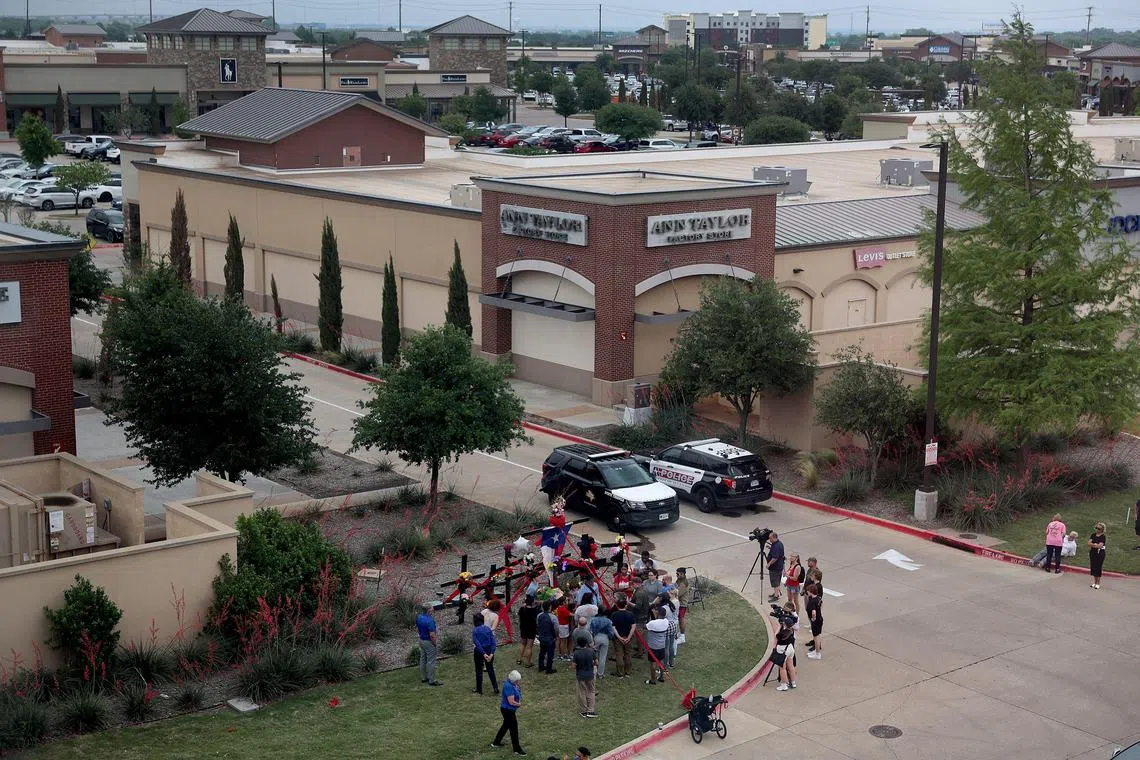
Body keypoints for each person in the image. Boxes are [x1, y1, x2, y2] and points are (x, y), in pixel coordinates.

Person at [491, 670, 526, 756]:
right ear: (513, 680)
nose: (518, 682)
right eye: (517, 680)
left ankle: (496, 742)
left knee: (506, 725)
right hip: (508, 711)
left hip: (508, 710)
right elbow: (511, 702)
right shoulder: (508, 686)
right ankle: (517, 749)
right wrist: (519, 704)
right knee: (514, 729)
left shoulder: (512, 683)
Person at [471, 612, 499, 695]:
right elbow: (493, 642)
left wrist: (483, 654)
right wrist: (491, 653)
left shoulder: (475, 631)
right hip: (489, 650)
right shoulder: (488, 629)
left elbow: (477, 643)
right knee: (490, 669)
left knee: (479, 670)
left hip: (479, 652)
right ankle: (495, 687)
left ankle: (479, 690)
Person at [416, 602, 443, 686]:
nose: (433, 609)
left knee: (423, 659)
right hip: (428, 642)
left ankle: (424, 677)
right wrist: (434, 643)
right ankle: (432, 680)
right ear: (428, 610)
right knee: (431, 661)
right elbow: (432, 635)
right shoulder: (430, 621)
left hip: (421, 640)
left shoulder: (419, 617)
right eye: (431, 608)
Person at [610, 595, 636, 678]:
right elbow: (633, 626)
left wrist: (619, 637)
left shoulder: (614, 614)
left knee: (619, 654)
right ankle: (627, 672)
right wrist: (628, 637)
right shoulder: (630, 614)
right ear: (626, 605)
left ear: (617, 605)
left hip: (618, 637)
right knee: (628, 654)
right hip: (628, 637)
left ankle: (620, 673)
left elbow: (613, 627)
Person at [572, 636, 598, 718]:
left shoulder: (576, 653)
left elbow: (573, 666)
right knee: (591, 691)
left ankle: (583, 711)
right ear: (586, 643)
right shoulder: (591, 651)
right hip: (590, 675)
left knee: (582, 692)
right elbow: (596, 663)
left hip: (580, 675)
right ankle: (591, 711)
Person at [645, 606, 670, 685]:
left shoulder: (652, 623)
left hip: (653, 646)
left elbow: (645, 627)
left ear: (658, 613)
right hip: (662, 645)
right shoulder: (666, 621)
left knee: (653, 663)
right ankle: (661, 677)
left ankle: (653, 680)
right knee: (660, 661)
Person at [773, 617, 797, 691]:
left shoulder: (782, 633)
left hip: (782, 650)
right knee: (791, 666)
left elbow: (775, 636)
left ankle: (784, 685)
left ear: (785, 624)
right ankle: (793, 682)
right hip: (790, 649)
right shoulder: (791, 631)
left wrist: (779, 627)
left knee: (782, 668)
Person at [589, 608, 614, 678]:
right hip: (605, 637)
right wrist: (610, 637)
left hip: (596, 637)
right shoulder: (608, 621)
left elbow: (591, 630)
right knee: (603, 657)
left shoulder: (593, 620)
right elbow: (611, 632)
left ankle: (593, 671)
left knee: (594, 655)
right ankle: (600, 674)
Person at [536, 599, 558, 674]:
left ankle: (541, 666)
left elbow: (538, 624)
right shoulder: (553, 617)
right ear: (550, 607)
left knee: (542, 652)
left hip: (542, 636)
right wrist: (556, 636)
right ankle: (549, 669)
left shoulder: (539, 615)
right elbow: (556, 628)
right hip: (550, 637)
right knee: (550, 654)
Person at [518, 595, 540, 668]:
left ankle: (519, 659)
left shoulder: (522, 609)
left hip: (523, 628)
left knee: (522, 644)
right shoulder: (534, 610)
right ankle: (528, 662)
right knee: (529, 647)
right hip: (531, 629)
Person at [805, 582, 823, 660]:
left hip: (816, 621)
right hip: (820, 619)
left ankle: (817, 654)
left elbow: (813, 612)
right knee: (817, 635)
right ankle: (816, 650)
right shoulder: (818, 598)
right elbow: (821, 604)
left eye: (808, 591)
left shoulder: (812, 601)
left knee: (816, 637)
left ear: (811, 592)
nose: (807, 592)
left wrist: (813, 618)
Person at [767, 532, 786, 602]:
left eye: (770, 538)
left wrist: (769, 564)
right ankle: (776, 593)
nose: (769, 540)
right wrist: (770, 548)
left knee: (775, 582)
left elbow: (775, 558)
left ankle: (776, 596)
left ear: (774, 537)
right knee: (776, 581)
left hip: (775, 567)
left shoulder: (776, 546)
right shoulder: (779, 544)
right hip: (779, 566)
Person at [1089, 522, 1107, 590]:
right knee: (1093, 567)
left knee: (1098, 567)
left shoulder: (1103, 536)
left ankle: (1098, 583)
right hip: (1093, 552)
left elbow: (1100, 546)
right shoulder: (1093, 535)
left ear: (1102, 529)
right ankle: (1094, 582)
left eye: (1099, 528)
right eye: (1096, 528)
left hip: (1100, 553)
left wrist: (1093, 544)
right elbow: (1089, 543)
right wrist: (1095, 545)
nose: (1097, 529)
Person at [675, 567, 690, 644]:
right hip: (679, 603)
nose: (677, 575)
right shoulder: (679, 580)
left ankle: (682, 636)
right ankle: (680, 633)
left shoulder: (684, 583)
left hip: (682, 604)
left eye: (679, 574)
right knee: (679, 618)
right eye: (676, 574)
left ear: (683, 574)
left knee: (681, 619)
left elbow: (678, 594)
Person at [555, 596, 573, 661]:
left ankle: (561, 654)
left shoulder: (560, 608)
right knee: (563, 641)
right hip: (563, 626)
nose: (567, 602)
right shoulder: (562, 609)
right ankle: (562, 655)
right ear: (563, 602)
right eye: (566, 601)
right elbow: (570, 614)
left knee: (561, 640)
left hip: (561, 625)